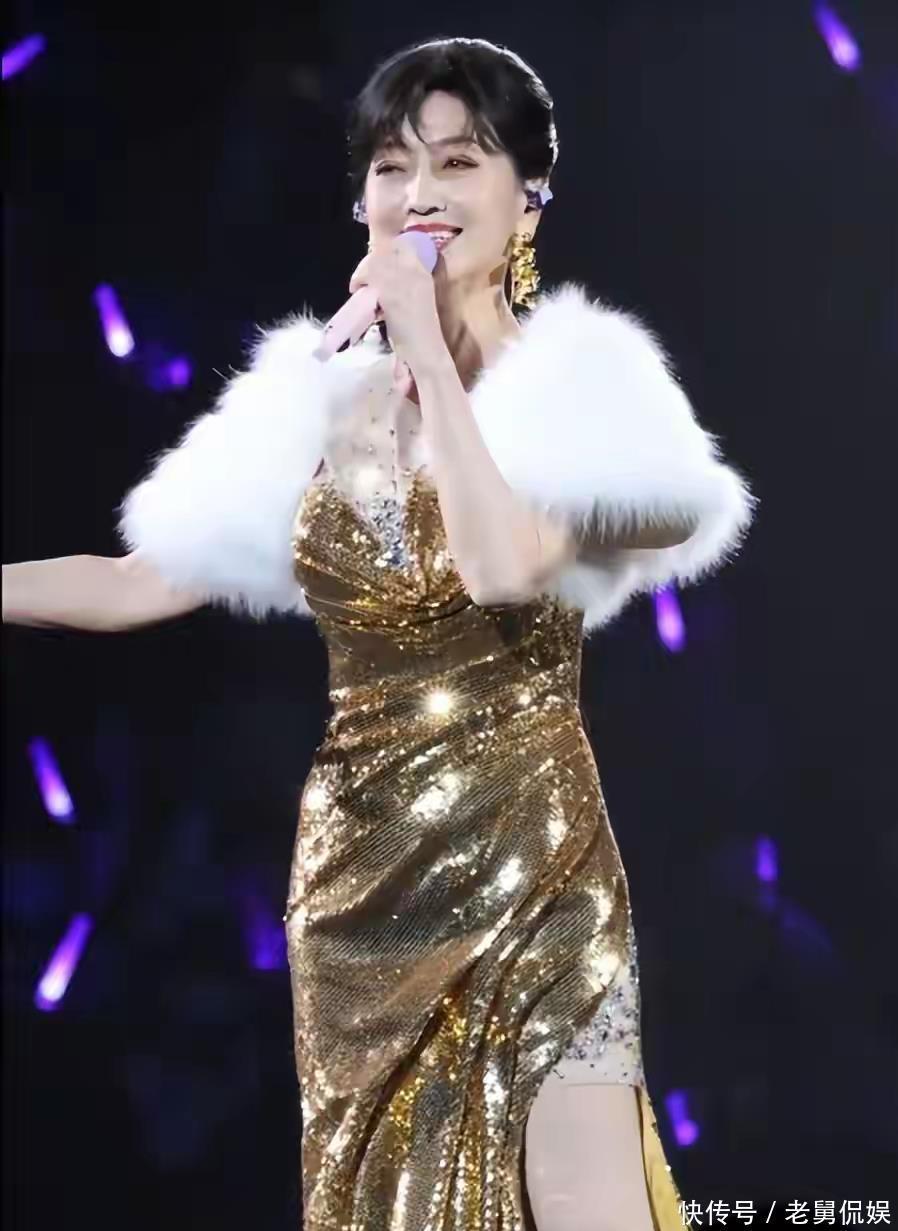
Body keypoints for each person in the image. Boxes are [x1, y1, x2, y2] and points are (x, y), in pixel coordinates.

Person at [3, 36, 755, 1231]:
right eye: (393, 166)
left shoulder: (586, 392)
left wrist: (431, 364)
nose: (420, 193)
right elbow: (136, 582)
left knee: (589, 1205)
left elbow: (502, 565)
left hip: (537, 871)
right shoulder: (309, 398)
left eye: (458, 161)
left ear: (528, 197)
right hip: (359, 889)